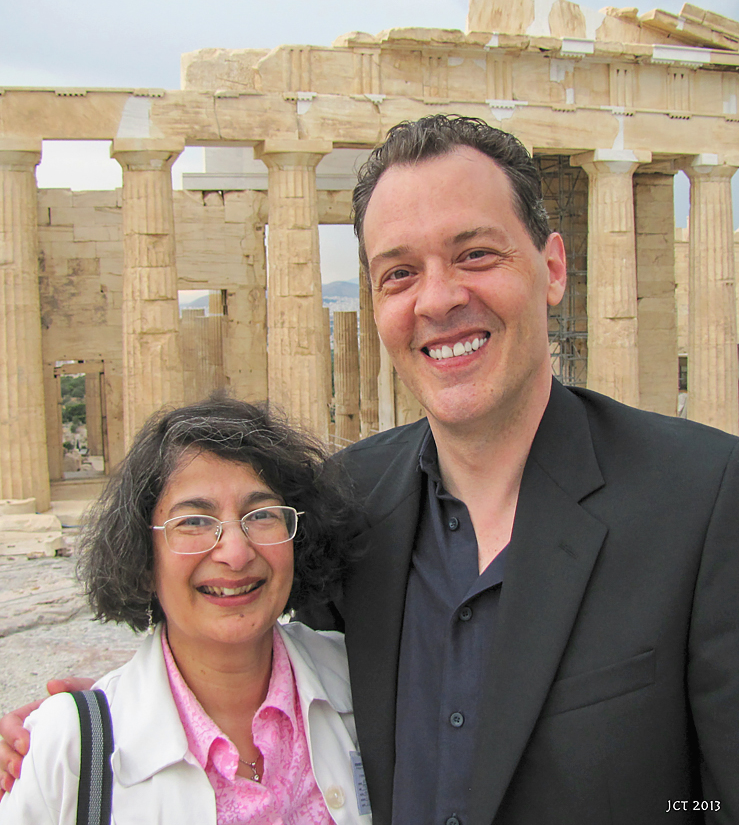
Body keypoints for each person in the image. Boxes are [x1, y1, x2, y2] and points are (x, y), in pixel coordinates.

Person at [2, 114, 739, 824]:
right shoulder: (346, 504)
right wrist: (112, 723)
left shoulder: (704, 498)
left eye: (475, 255)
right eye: (399, 273)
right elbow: (265, 667)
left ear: (551, 268)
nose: (438, 299)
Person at [0, 397, 371, 824]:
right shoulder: (66, 749)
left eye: (261, 514)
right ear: (143, 558)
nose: (236, 553)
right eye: (194, 521)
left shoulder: (366, 682)